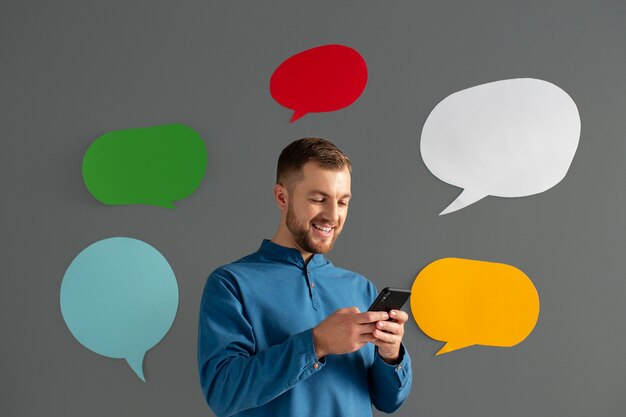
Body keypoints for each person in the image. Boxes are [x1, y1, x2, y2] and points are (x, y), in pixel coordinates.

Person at [198, 138, 412, 417]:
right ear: (281, 197)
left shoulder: (360, 288)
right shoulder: (231, 284)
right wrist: (316, 343)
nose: (333, 215)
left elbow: (389, 401)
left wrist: (391, 354)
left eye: (342, 202)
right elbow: (222, 392)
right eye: (318, 199)